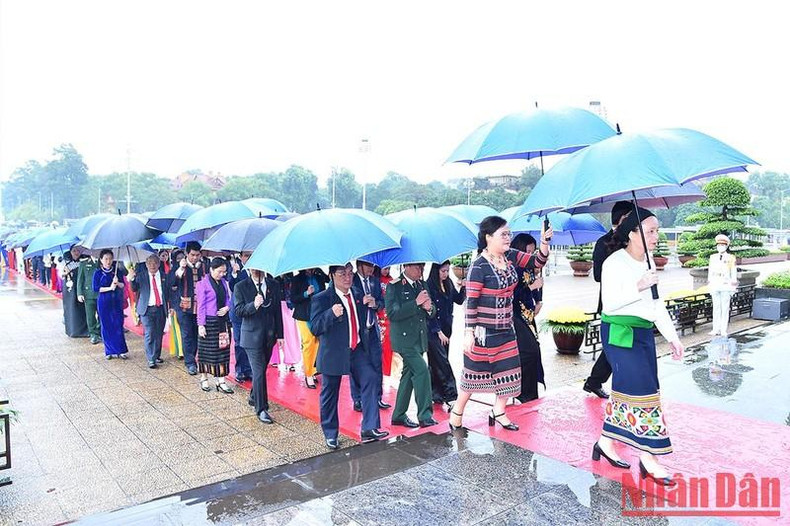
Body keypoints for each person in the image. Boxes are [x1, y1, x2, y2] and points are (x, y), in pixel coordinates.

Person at [593, 206, 684, 487]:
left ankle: (605, 442)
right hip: (620, 333)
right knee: (644, 391)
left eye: (657, 230)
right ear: (632, 234)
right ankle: (649, 457)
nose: (657, 236)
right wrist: (639, 285)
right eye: (650, 231)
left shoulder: (649, 263)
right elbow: (610, 303)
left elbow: (656, 305)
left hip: (643, 333)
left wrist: (672, 336)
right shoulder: (614, 263)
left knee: (630, 392)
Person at [449, 216, 551, 433]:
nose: (508, 238)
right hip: (483, 333)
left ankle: (500, 411)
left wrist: (544, 242)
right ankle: (457, 413)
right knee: (473, 376)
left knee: (509, 371)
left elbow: (537, 262)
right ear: (488, 237)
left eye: (509, 234)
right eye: (503, 234)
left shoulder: (511, 256)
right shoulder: (479, 266)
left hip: (507, 327)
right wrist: (468, 332)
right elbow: (471, 301)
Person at [311, 263, 388, 449]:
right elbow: (314, 327)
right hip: (334, 353)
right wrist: (330, 313)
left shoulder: (357, 293)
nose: (347, 277)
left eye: (349, 273)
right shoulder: (322, 299)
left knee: (370, 377)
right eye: (342, 274)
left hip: (357, 349)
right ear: (332, 275)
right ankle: (330, 433)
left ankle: (369, 427)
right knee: (330, 392)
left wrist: (373, 304)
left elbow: (363, 320)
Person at [583, 201, 633, 399]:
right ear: (621, 219)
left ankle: (594, 381)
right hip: (613, 301)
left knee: (618, 345)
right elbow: (597, 275)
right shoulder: (603, 243)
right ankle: (596, 381)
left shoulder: (633, 241)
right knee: (615, 345)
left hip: (633, 300)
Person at [386, 262, 437, 428]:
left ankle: (399, 415)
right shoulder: (394, 286)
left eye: (422, 267)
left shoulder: (421, 284)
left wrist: (430, 308)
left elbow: (430, 310)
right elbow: (392, 313)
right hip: (404, 340)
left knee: (408, 376)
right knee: (422, 371)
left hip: (418, 339)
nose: (420, 270)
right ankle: (425, 415)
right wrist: (415, 303)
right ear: (406, 266)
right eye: (417, 267)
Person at [233, 266, 284, 424]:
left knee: (261, 369)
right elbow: (239, 311)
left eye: (260, 269)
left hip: (269, 336)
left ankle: (254, 396)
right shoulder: (240, 286)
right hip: (251, 337)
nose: (257, 271)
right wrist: (254, 305)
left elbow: (277, 311)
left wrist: (280, 335)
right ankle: (261, 408)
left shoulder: (273, 285)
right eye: (254, 269)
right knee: (259, 371)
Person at [350, 260, 390, 411]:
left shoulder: (374, 281)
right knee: (356, 365)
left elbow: (382, 301)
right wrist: (361, 302)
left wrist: (376, 304)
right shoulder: (351, 280)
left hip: (372, 326)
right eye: (368, 266)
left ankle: (377, 397)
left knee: (376, 362)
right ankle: (358, 398)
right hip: (358, 329)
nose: (372, 269)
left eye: (373, 266)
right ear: (359, 265)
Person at [509, 234, 544, 403]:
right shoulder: (512, 267)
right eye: (527, 251)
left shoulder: (529, 266)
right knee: (527, 352)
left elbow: (536, 285)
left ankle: (531, 393)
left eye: (532, 251)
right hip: (515, 315)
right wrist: (531, 287)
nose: (530, 255)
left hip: (529, 315)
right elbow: (511, 294)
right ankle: (522, 392)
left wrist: (539, 300)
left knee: (533, 352)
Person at [426, 260, 465, 407]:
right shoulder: (429, 285)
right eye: (443, 271)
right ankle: (451, 394)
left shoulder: (448, 283)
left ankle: (436, 393)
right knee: (442, 362)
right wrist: (438, 331)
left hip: (447, 327)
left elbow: (459, 300)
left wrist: (464, 288)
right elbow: (428, 311)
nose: (446, 274)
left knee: (438, 362)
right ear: (436, 271)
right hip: (433, 329)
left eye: (447, 271)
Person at [196, 258, 234, 393]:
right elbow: (200, 306)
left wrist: (227, 308)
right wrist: (201, 325)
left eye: (224, 272)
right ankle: (204, 378)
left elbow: (230, 299)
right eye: (219, 271)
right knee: (206, 352)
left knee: (223, 351)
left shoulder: (224, 282)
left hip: (222, 321)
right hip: (209, 322)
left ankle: (221, 380)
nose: (222, 274)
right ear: (211, 269)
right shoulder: (202, 284)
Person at [291, 267, 329, 389]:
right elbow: (293, 298)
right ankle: (308, 374)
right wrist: (306, 293)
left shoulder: (318, 276)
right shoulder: (297, 279)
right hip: (303, 315)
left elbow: (327, 283)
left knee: (317, 342)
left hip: (317, 314)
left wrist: (321, 271)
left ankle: (313, 370)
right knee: (308, 343)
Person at [170, 241, 205, 375]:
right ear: (187, 254)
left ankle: (194, 357)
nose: (195, 258)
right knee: (186, 335)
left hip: (200, 307)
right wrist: (180, 270)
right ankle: (190, 362)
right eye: (192, 255)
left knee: (197, 334)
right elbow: (172, 284)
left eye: (197, 255)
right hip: (183, 307)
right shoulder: (179, 266)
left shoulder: (204, 267)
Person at [129, 254, 168, 368]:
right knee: (150, 332)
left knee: (159, 333)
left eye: (155, 263)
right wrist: (132, 278)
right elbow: (134, 288)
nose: (152, 265)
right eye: (150, 263)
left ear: (159, 264)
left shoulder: (163, 276)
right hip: (146, 309)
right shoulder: (141, 276)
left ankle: (156, 355)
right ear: (146, 264)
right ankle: (151, 358)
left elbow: (168, 291)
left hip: (160, 308)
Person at [92, 249, 129, 359]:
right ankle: (109, 351)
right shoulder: (98, 273)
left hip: (116, 301)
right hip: (104, 302)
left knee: (118, 324)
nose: (108, 261)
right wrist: (110, 288)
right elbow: (96, 288)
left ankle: (121, 350)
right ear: (101, 260)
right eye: (106, 259)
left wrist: (118, 283)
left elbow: (123, 285)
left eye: (110, 259)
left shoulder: (117, 271)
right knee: (106, 326)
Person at [228, 252, 253, 382]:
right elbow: (232, 286)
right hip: (238, 313)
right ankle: (240, 370)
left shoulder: (255, 270)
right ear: (241, 256)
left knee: (250, 342)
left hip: (251, 312)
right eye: (247, 255)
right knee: (239, 343)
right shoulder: (236, 269)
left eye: (251, 255)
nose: (249, 258)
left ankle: (249, 369)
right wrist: (234, 273)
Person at [708, 234, 738, 336]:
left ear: (726, 246)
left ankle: (723, 329)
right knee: (716, 308)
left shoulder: (730, 258)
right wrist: (710, 284)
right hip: (715, 283)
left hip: (725, 284)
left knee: (725, 308)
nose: (720, 247)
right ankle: (715, 329)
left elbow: (733, 272)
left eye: (722, 245)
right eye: (719, 245)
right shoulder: (712, 257)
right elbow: (710, 271)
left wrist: (732, 287)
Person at [61, 246, 89, 338]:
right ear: (70, 252)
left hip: (81, 289)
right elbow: (62, 275)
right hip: (71, 290)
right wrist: (66, 272)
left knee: (82, 309)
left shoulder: (84, 261)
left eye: (78, 250)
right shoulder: (66, 263)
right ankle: (72, 330)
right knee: (72, 308)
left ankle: (84, 330)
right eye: (74, 251)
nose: (76, 252)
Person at [77, 253, 102, 344]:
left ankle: (99, 332)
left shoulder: (103, 262)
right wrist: (79, 293)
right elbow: (80, 279)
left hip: (101, 293)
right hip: (89, 294)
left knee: (101, 315)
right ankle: (93, 334)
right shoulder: (84, 263)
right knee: (90, 316)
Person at [377, 266, 395, 379]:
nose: (387, 271)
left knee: (388, 344)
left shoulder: (392, 281)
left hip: (388, 316)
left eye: (388, 268)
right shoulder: (374, 281)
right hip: (377, 315)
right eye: (385, 268)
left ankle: (386, 372)